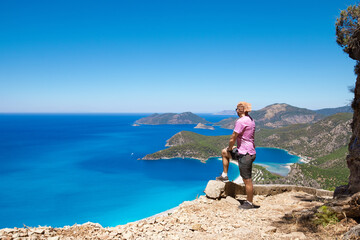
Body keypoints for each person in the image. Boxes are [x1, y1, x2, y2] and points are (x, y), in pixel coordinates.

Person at [216, 101, 258, 209]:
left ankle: (249, 203)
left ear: (240, 110)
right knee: (224, 152)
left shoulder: (241, 121)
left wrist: (230, 147)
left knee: (247, 180)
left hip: (245, 155)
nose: (236, 111)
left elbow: (233, 137)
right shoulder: (251, 120)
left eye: (236, 109)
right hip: (246, 151)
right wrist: (232, 149)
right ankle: (224, 176)